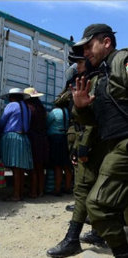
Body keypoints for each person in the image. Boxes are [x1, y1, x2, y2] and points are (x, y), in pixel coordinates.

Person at [71, 24, 128, 257]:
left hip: (124, 146)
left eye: (88, 46)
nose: (85, 53)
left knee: (97, 204)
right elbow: (95, 121)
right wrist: (81, 107)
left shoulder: (122, 61)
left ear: (106, 42)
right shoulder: (101, 76)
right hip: (112, 145)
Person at [47, 49, 107, 258]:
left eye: (80, 63)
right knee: (93, 193)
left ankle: (72, 239)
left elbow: (93, 120)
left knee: (82, 191)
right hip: (91, 143)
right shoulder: (91, 79)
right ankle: (98, 233)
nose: (77, 67)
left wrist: (82, 147)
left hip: (93, 145)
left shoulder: (93, 82)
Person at [0, 88, 33, 201]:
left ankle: (16, 195)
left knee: (15, 168)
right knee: (21, 169)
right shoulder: (27, 107)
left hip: (13, 137)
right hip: (24, 138)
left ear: (12, 97)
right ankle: (20, 193)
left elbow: (3, 121)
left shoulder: (12, 105)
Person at [24, 87, 49, 198]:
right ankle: (40, 191)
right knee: (40, 168)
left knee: (33, 168)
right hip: (43, 139)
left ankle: (33, 192)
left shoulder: (28, 109)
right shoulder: (42, 109)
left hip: (33, 139)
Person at [46, 102, 73, 196]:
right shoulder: (66, 111)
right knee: (66, 164)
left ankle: (57, 189)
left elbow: (47, 123)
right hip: (64, 138)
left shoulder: (54, 112)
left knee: (57, 165)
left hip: (55, 139)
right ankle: (68, 187)